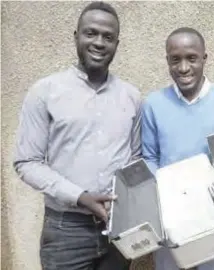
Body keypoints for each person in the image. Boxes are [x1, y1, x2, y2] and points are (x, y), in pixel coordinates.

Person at [13, 2, 141, 270]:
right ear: (76, 36)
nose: (99, 42)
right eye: (90, 33)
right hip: (65, 231)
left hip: (117, 230)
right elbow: (27, 163)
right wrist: (81, 196)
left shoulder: (132, 97)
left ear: (117, 43)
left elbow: (135, 158)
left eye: (108, 37)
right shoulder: (45, 92)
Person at [141, 27, 214, 270]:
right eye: (175, 60)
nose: (183, 68)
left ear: (204, 58)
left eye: (191, 58)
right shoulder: (153, 104)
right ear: (167, 60)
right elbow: (149, 156)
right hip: (171, 219)